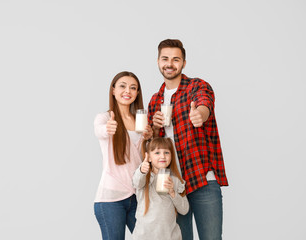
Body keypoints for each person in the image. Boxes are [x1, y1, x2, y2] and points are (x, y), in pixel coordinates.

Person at [147, 39, 229, 240]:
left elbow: (204, 101)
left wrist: (201, 114)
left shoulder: (196, 86)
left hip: (202, 180)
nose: (170, 63)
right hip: (172, 185)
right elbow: (152, 148)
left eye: (176, 59)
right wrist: (154, 129)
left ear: (183, 63)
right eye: (165, 58)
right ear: (158, 61)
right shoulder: (155, 100)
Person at [94, 71, 153, 240]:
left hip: (138, 196)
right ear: (113, 90)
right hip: (111, 199)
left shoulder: (141, 121)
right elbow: (99, 131)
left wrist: (148, 139)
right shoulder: (105, 118)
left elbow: (142, 160)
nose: (128, 91)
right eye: (122, 86)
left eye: (133, 88)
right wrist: (107, 129)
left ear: (137, 93)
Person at [132, 137, 189, 240]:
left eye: (166, 152)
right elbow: (137, 182)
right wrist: (142, 170)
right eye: (157, 153)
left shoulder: (175, 181)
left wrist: (172, 192)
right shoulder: (144, 178)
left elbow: (184, 210)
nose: (163, 156)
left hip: (170, 237)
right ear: (149, 157)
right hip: (144, 236)